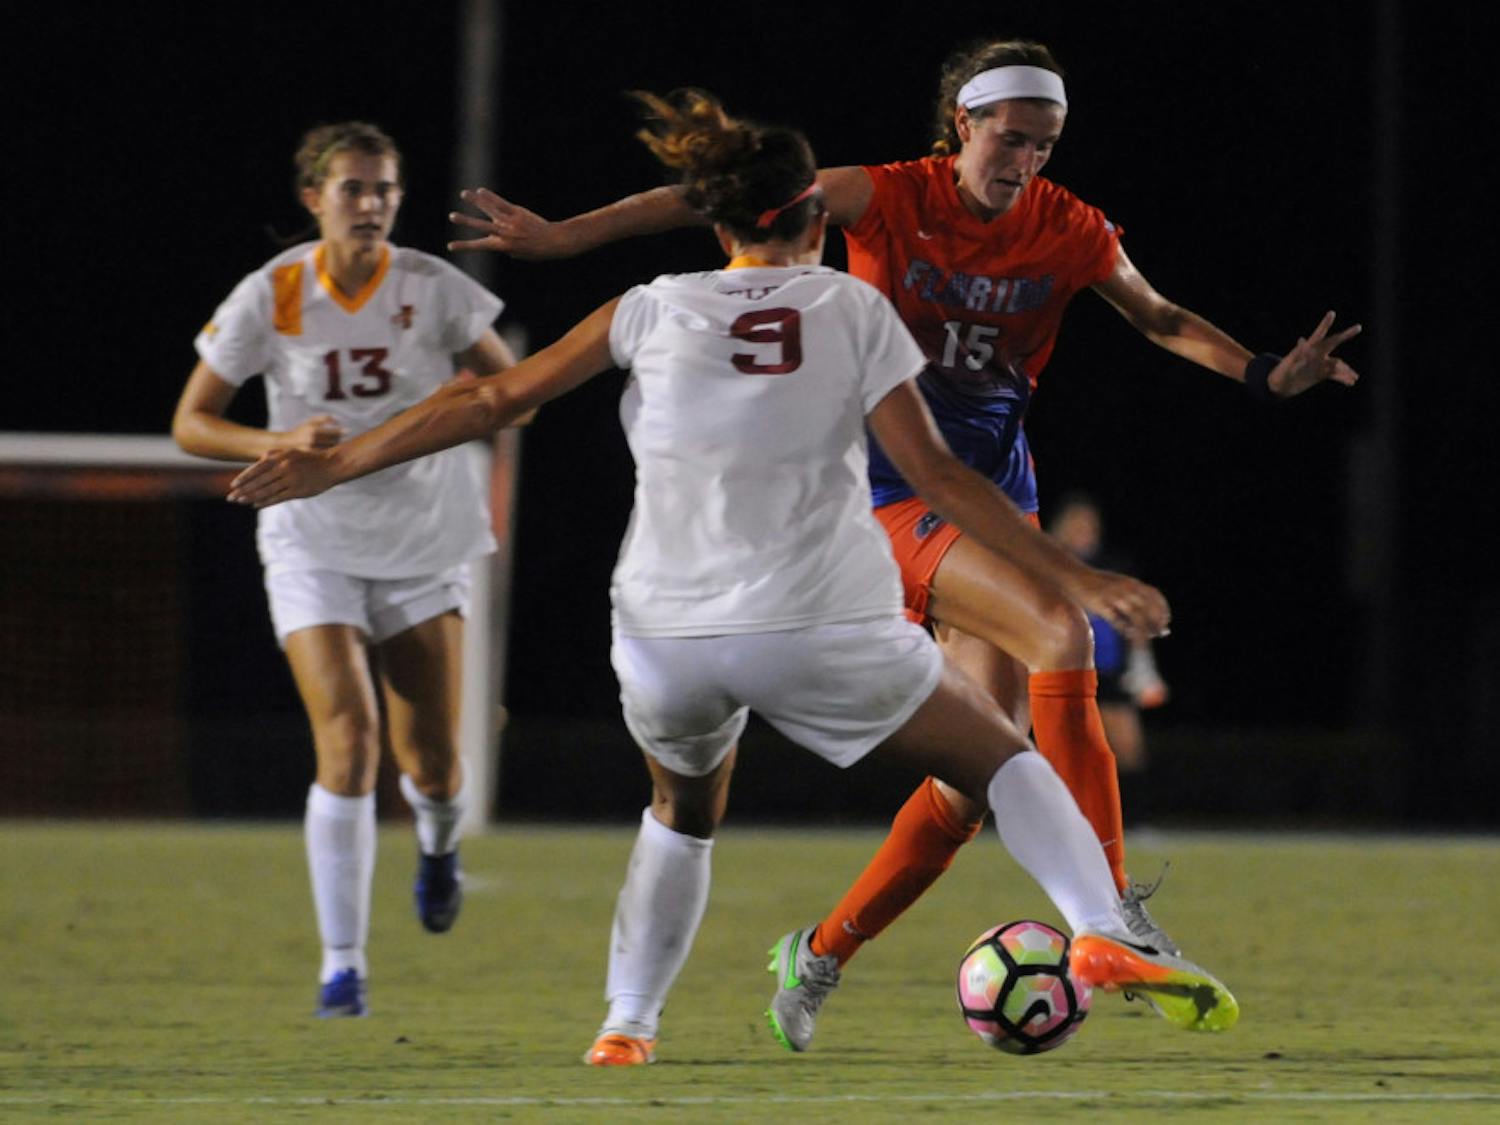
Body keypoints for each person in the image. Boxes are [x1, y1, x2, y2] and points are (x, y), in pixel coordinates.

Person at [226, 89, 1240, 1065]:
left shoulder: (647, 309)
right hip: (818, 626)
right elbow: (936, 476)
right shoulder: (854, 308)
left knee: (680, 814)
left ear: (718, 230)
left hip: (664, 637)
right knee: (1005, 762)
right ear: (812, 216)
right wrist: (1075, 574)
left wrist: (332, 462)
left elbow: (490, 403)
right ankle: (1104, 925)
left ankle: (627, 1025)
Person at [441, 38, 1360, 1048]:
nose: (1028, 160)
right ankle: (1114, 916)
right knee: (1060, 627)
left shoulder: (1072, 228)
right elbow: (727, 193)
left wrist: (1263, 373)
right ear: (963, 123)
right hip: (889, 488)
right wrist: (566, 237)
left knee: (974, 786)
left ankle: (819, 954)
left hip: (988, 496)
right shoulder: (883, 195)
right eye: (1012, 138)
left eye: (1046, 144)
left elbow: (1161, 315)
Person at [172, 121, 517, 1018]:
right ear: (313, 199)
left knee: (433, 762)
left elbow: (506, 391)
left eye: (386, 190)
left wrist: (445, 412)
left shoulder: (431, 288)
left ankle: (439, 845)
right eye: (354, 189)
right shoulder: (273, 293)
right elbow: (193, 422)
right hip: (310, 539)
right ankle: (343, 965)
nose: (371, 205)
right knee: (349, 741)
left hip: (422, 539)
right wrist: (276, 437)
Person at [1049, 492, 1168, 774]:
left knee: (1127, 749)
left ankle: (1134, 816)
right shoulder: (1049, 564)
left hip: (1110, 670)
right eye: (1075, 524)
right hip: (1064, 669)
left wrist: (1143, 668)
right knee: (1067, 750)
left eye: (1088, 524)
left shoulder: (1113, 567)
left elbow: (1134, 620)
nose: (1083, 531)